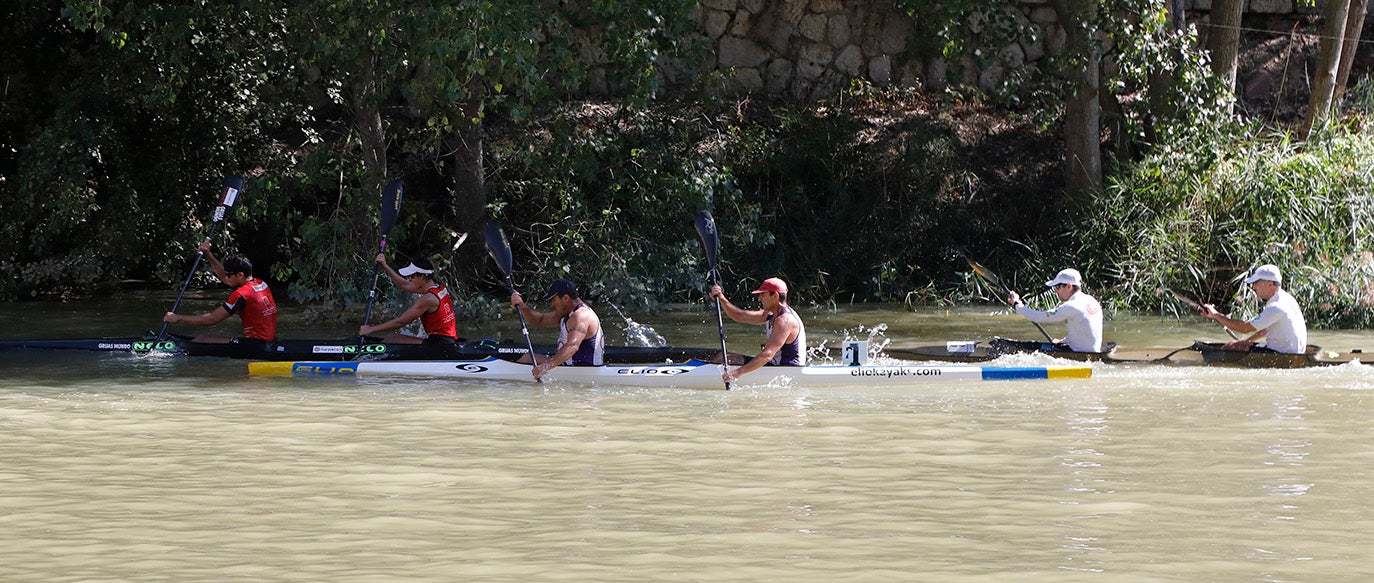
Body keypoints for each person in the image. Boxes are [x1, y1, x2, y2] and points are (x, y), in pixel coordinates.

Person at [163, 241, 277, 345]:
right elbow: (224, 277)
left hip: (254, 345)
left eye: (229, 275)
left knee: (202, 339)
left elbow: (212, 319)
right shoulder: (261, 284)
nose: (226, 278)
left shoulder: (241, 294)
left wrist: (177, 317)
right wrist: (208, 254)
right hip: (268, 340)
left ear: (240, 275)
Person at [710, 277, 806, 383]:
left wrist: (738, 372)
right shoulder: (770, 314)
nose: (759, 299)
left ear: (775, 296)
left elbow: (767, 355)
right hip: (774, 364)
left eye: (762, 294)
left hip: (786, 371)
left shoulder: (785, 320)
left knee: (727, 359)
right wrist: (721, 298)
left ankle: (707, 377)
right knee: (723, 357)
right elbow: (739, 316)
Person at [358, 255, 459, 353]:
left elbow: (400, 322)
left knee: (391, 339)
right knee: (392, 338)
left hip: (440, 345)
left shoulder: (428, 300)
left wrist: (370, 329)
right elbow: (404, 285)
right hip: (447, 340)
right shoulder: (438, 288)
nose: (409, 278)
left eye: (412, 276)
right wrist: (385, 267)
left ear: (422, 277)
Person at [1201, 264, 1308, 354]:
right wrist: (1246, 342)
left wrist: (1215, 315)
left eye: (1256, 283)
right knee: (1238, 345)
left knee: (1230, 347)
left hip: (1282, 354)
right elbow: (1266, 329)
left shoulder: (1276, 306)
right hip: (1291, 352)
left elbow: (1244, 328)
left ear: (1270, 284)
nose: (1253, 287)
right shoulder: (1287, 299)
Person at [510, 278, 604, 380]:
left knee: (531, 361)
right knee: (527, 357)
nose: (552, 304)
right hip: (568, 365)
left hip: (584, 372)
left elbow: (572, 346)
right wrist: (523, 307)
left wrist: (545, 367)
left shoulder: (581, 316)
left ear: (565, 298)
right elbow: (539, 320)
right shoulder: (567, 313)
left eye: (553, 300)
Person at [1007, 268, 1104, 353]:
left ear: (1069, 286)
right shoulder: (1091, 300)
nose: (1055, 291)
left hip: (1080, 353)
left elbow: (1038, 317)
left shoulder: (1071, 306)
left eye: (1057, 286)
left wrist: (1017, 304)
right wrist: (1062, 342)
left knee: (1030, 348)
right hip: (1092, 351)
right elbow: (1083, 332)